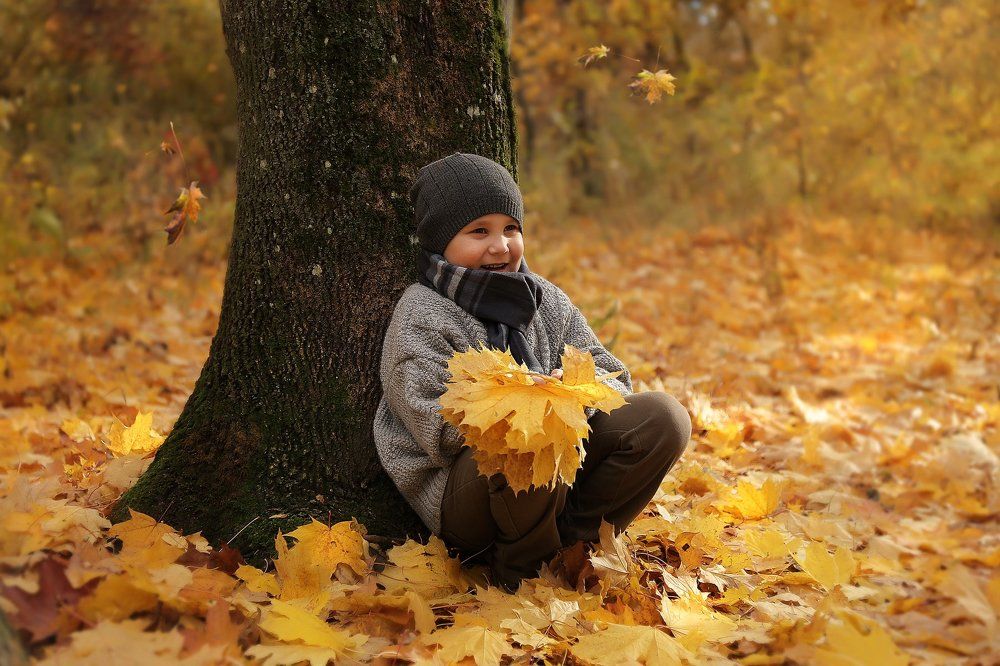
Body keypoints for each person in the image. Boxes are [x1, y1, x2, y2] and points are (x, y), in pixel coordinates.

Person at [373, 152, 691, 592]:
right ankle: (521, 574)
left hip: (558, 476)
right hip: (466, 493)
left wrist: (568, 392)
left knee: (663, 418)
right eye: (479, 231)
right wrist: (522, 401)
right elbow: (436, 427)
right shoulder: (422, 314)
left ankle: (573, 551)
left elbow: (612, 377)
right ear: (440, 241)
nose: (500, 246)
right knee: (528, 430)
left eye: (511, 229)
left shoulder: (544, 299)